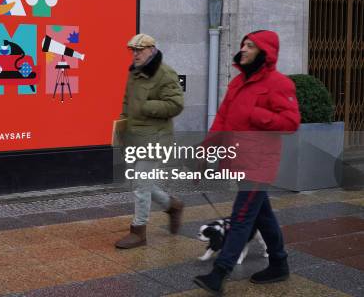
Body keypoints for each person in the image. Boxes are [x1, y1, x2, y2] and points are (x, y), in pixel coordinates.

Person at [193, 30, 300, 295]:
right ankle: (279, 263)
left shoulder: (279, 84)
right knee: (263, 214)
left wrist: (257, 114)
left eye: (250, 45)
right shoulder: (238, 82)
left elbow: (291, 122)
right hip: (238, 157)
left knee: (241, 217)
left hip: (259, 163)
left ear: (265, 52)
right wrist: (207, 150)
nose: (244, 49)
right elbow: (222, 119)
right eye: (243, 44)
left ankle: (219, 273)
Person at [114, 33, 185, 249]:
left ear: (151, 50)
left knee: (140, 185)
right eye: (133, 50)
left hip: (156, 138)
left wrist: (147, 107)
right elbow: (127, 100)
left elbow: (176, 105)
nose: (134, 54)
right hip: (136, 136)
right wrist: (123, 124)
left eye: (139, 50)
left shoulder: (165, 73)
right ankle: (172, 205)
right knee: (138, 182)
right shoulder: (135, 72)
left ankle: (139, 231)